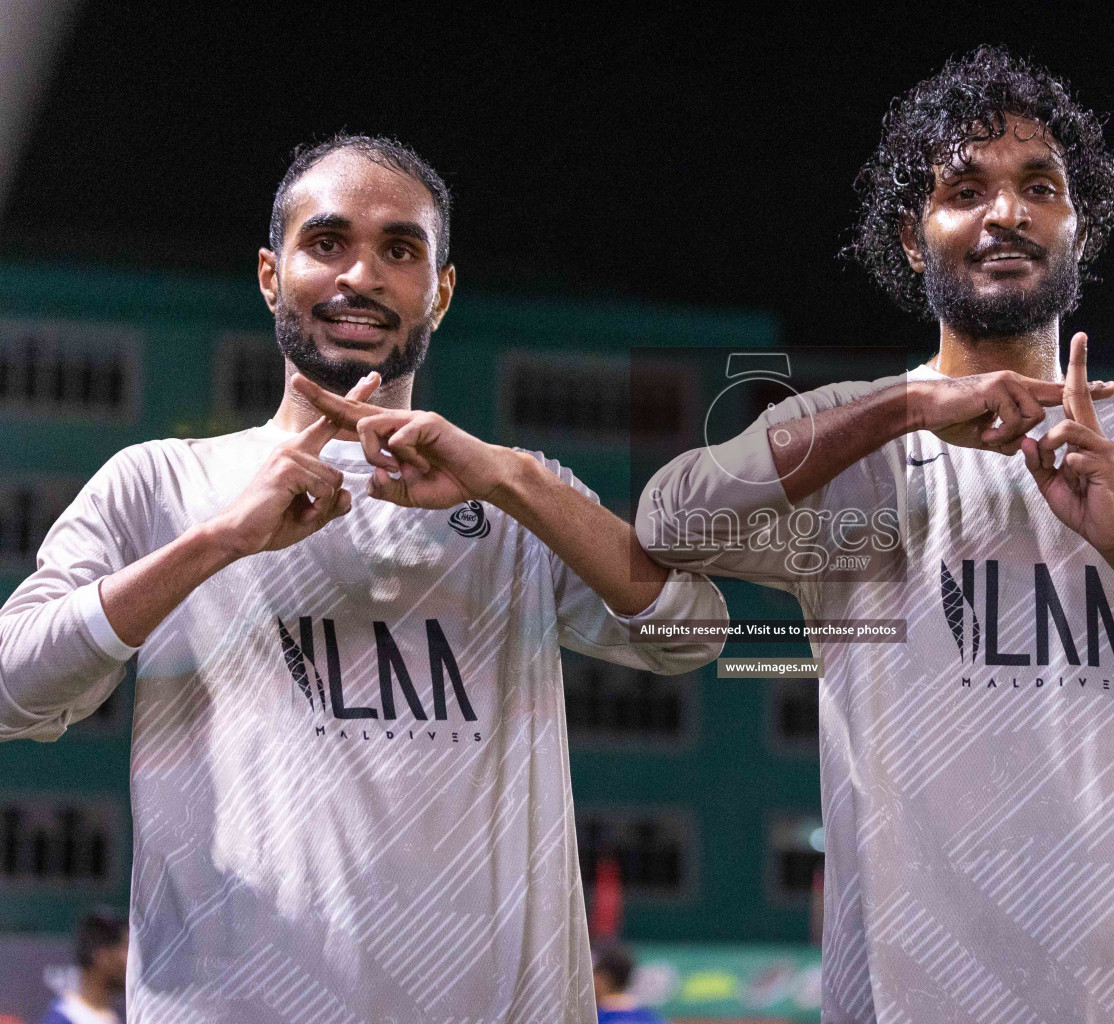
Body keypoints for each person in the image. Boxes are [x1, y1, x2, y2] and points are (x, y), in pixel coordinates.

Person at [0, 133, 726, 1022]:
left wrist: (513, 479)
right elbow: (10, 689)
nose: (362, 277)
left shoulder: (514, 497)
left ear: (441, 291)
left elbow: (695, 631)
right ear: (272, 274)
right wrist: (217, 542)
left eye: (400, 250)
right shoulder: (162, 483)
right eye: (327, 242)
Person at [639, 45, 1114, 1023]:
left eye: (1041, 186)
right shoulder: (861, 452)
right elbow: (669, 520)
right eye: (964, 188)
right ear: (913, 236)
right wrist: (902, 406)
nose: (1007, 212)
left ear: (1080, 226)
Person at [36, 908, 128, 1024]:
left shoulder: (125, 1017)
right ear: (101, 955)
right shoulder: (60, 1020)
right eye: (125, 948)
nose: (130, 960)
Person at [592, 943, 666, 1024]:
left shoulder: (593, 1018)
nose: (592, 981)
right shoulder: (652, 1017)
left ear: (603, 977)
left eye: (593, 974)